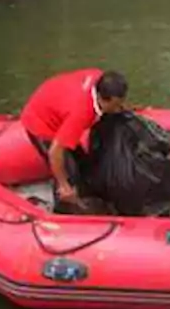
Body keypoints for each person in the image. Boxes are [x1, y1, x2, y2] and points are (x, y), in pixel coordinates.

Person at [20, 69, 129, 208]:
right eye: (115, 105)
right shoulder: (81, 114)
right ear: (102, 99)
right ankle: (62, 212)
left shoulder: (99, 77)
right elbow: (55, 152)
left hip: (60, 109)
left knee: (85, 165)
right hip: (41, 124)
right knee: (68, 176)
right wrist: (64, 185)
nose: (117, 108)